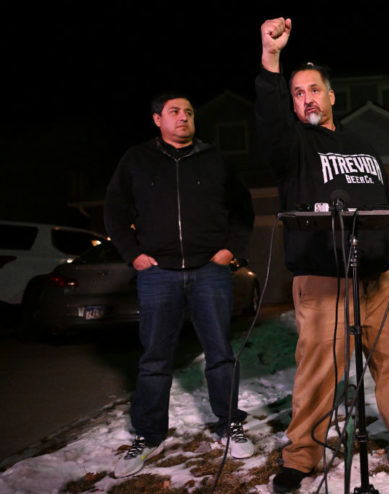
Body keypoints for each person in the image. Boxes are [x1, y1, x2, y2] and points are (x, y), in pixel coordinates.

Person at [256, 17, 389, 493]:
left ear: (332, 95)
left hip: (380, 276)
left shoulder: (363, 145)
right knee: (318, 375)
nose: (307, 99)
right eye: (298, 93)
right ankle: (301, 457)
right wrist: (271, 57)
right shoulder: (293, 146)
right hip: (324, 280)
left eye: (314, 90)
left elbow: (384, 202)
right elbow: (271, 119)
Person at [104, 92, 255, 478]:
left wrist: (231, 251)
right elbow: (115, 211)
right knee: (155, 358)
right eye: (175, 112)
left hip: (210, 270)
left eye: (189, 112)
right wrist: (133, 254)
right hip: (158, 273)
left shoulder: (215, 158)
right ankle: (149, 435)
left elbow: (242, 209)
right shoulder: (137, 160)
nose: (184, 117)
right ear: (157, 119)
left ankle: (229, 424)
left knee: (220, 352)